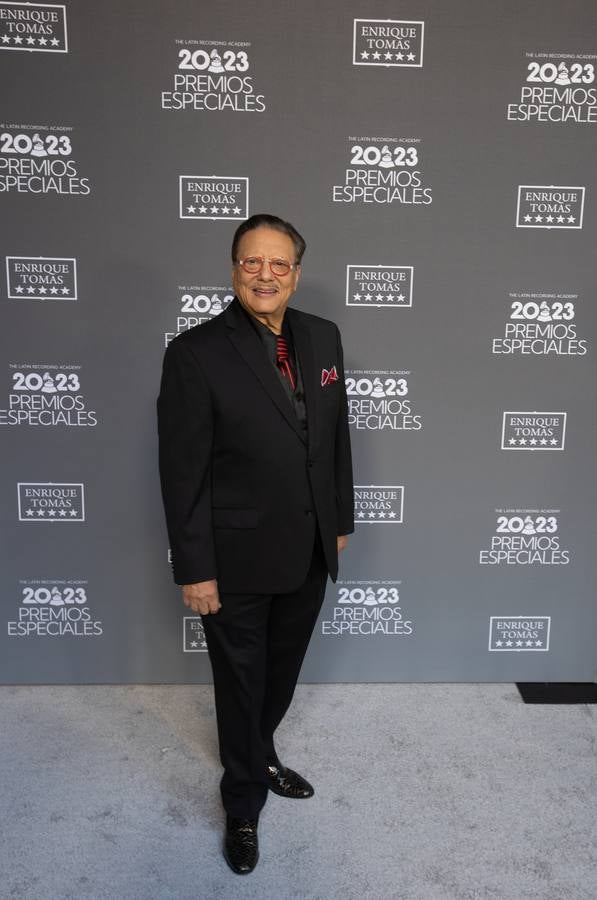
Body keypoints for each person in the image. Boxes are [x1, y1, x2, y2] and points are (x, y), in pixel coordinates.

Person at [157, 213, 354, 874]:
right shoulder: (196, 353)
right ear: (233, 268)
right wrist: (195, 567)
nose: (264, 275)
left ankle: (260, 753)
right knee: (240, 687)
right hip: (233, 558)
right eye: (251, 262)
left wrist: (340, 520)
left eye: (278, 264)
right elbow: (182, 470)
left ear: (295, 274)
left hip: (307, 549)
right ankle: (242, 804)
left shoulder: (323, 339)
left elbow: (334, 441)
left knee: (279, 675)